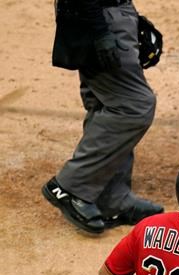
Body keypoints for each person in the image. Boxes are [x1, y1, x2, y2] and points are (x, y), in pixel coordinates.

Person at [43, 0, 163, 235]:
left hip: (109, 12)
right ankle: (71, 186)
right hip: (98, 15)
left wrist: (128, 17)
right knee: (134, 105)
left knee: (105, 104)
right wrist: (100, 30)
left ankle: (110, 197)